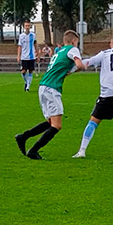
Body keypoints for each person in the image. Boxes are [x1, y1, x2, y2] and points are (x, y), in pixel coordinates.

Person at [15, 30, 85, 160]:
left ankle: (23, 137)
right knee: (57, 125)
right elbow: (80, 65)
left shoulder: (59, 52)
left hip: (43, 86)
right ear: (74, 41)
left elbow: (59, 69)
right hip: (52, 89)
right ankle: (33, 151)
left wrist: (68, 71)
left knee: (50, 122)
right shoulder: (73, 49)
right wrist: (82, 67)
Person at [17, 20, 39, 91]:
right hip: (24, 56)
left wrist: (37, 55)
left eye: (28, 26)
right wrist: (18, 56)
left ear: (30, 26)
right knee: (23, 71)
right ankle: (26, 82)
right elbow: (20, 46)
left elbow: (36, 45)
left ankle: (28, 87)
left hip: (32, 56)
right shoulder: (21, 36)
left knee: (30, 71)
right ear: (24, 27)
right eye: (26, 26)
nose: (27, 27)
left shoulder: (33, 35)